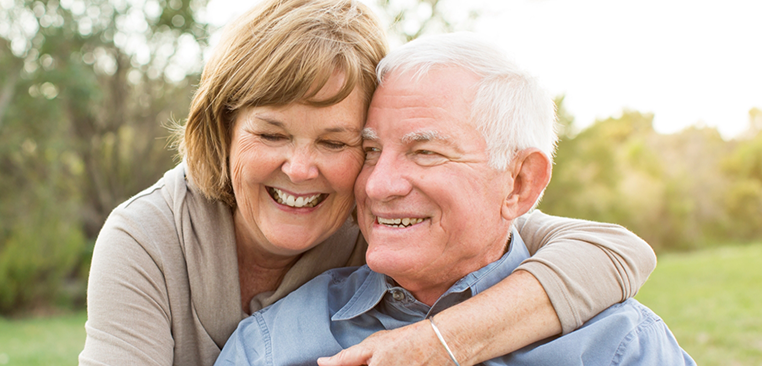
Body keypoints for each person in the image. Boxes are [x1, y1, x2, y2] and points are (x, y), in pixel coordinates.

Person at [78, 1, 658, 365]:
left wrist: (437, 345)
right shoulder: (149, 237)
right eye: (272, 134)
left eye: (338, 142)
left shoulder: (378, 208)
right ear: (223, 131)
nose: (302, 169)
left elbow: (614, 249)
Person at [215, 32, 694, 366]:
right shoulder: (271, 345)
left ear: (520, 183)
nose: (378, 185)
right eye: (370, 150)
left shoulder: (621, 346)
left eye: (425, 152)